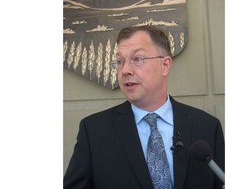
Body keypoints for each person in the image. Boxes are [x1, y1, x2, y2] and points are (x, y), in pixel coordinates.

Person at [64, 25, 225, 189]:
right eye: (120, 62)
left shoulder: (207, 127)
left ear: (165, 65)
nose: (125, 70)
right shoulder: (93, 131)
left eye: (137, 59)